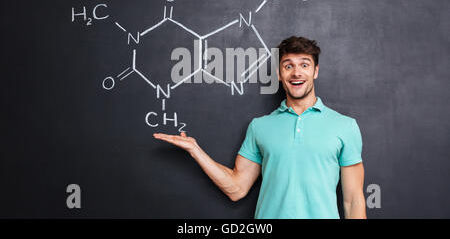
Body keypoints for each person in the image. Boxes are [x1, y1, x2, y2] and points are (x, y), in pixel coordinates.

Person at [153, 36, 366, 219]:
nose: (296, 73)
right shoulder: (260, 126)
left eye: (304, 64)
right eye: (288, 65)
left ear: (315, 71)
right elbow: (236, 188)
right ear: (279, 73)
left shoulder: (344, 126)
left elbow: (353, 201)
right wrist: (196, 151)